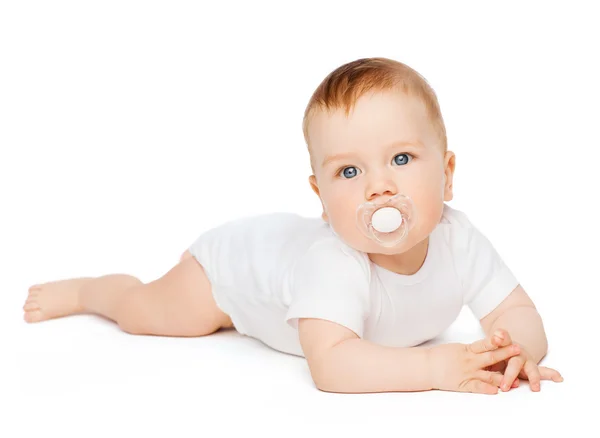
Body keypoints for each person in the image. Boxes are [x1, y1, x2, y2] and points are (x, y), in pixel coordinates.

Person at [23, 57, 563, 395]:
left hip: (278, 274)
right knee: (149, 314)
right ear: (323, 200)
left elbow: (517, 310)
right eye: (349, 171)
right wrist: (437, 369)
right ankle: (94, 291)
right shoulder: (334, 261)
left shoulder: (458, 238)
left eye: (401, 159)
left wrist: (513, 352)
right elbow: (332, 366)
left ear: (446, 176)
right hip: (227, 274)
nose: (378, 187)